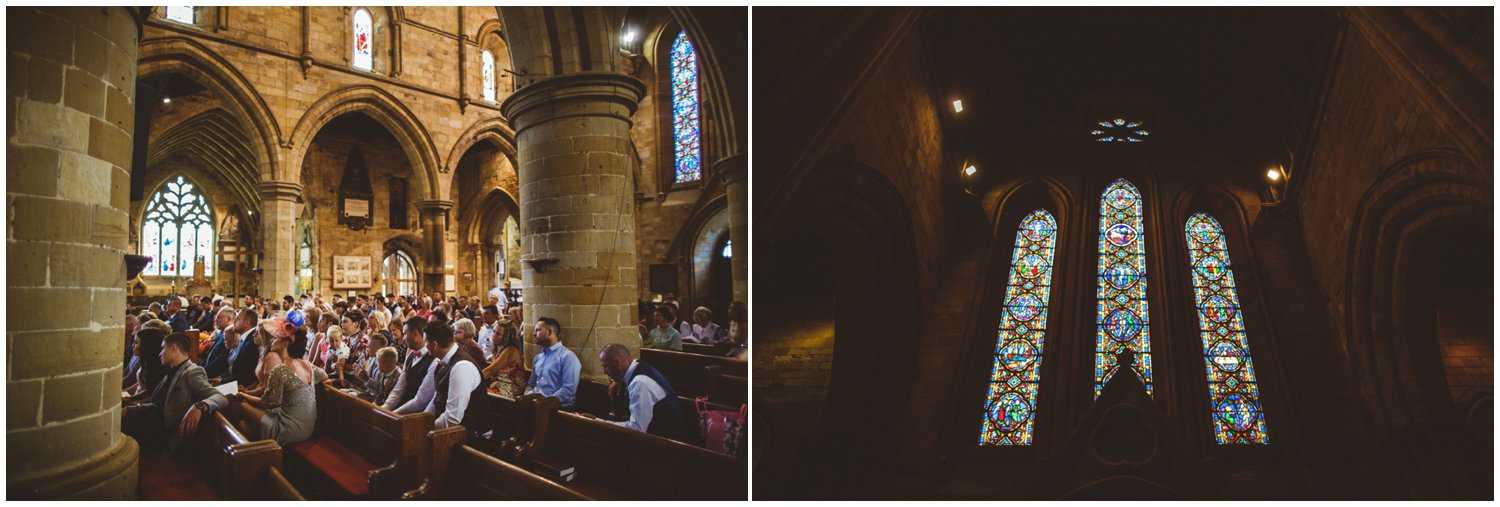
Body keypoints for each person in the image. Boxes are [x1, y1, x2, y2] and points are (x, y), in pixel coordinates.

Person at [121, 332, 230, 453]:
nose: (160, 353)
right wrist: (132, 408)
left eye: (163, 348)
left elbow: (220, 397)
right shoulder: (172, 369)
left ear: (173, 348)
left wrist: (199, 406)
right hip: (153, 420)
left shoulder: (192, 371)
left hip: (166, 432)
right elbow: (158, 403)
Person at [226, 328, 325, 445]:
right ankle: (252, 451)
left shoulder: (280, 369)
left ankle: (237, 452)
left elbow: (266, 403)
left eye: (276, 337)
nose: (271, 340)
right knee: (245, 426)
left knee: (237, 404)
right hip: (306, 427)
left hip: (287, 428)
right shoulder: (306, 363)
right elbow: (324, 375)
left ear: (286, 342)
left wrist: (243, 395)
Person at [395, 321, 487, 433]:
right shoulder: (442, 360)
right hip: (450, 428)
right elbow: (436, 399)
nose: (425, 345)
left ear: (434, 345)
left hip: (471, 433)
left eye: (426, 342)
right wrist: (423, 421)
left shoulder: (461, 367)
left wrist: (424, 430)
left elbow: (453, 418)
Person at [592, 343, 686, 440]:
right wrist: (618, 380)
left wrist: (599, 422)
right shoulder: (637, 366)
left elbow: (637, 429)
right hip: (656, 435)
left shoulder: (640, 383)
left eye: (606, 366)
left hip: (666, 443)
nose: (604, 372)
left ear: (617, 363)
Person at [524, 317, 581, 409]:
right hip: (535, 404)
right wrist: (526, 397)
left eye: (538, 330)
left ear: (550, 332)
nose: (534, 334)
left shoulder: (567, 357)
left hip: (557, 407)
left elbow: (568, 390)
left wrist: (543, 403)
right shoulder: (538, 358)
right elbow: (531, 384)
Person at [383, 316, 437, 411]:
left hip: (418, 414)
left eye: (405, 334)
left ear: (415, 333)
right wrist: (384, 409)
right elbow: (399, 389)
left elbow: (422, 400)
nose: (403, 338)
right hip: (402, 408)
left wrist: (394, 414)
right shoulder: (411, 355)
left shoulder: (433, 360)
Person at [481, 310, 527, 398]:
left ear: (507, 337)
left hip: (510, 387)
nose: (494, 335)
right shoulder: (498, 347)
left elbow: (489, 371)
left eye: (498, 334)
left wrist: (471, 380)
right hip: (499, 384)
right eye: (494, 331)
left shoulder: (510, 350)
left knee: (478, 395)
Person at [124, 327, 169, 404]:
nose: (132, 345)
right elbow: (142, 385)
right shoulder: (146, 360)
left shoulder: (158, 367)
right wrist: (129, 397)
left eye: (136, 343)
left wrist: (132, 402)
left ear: (147, 345)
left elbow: (152, 395)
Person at [225, 308, 262, 388]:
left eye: (237, 319)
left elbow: (247, 376)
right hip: (234, 382)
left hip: (242, 387)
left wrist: (222, 382)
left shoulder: (252, 341)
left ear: (247, 323)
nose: (234, 321)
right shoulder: (245, 338)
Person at [200, 307, 238, 379]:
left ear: (229, 319)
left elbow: (221, 361)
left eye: (219, 317)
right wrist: (200, 368)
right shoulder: (221, 332)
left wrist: (202, 372)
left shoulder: (232, 334)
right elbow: (209, 355)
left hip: (217, 377)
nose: (216, 320)